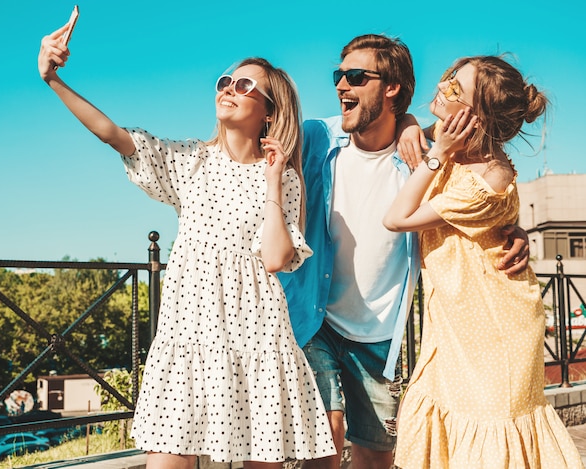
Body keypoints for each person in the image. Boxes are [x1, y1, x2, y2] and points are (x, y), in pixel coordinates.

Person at [38, 23, 336, 469]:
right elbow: (113, 134)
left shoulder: (283, 179)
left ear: (270, 112)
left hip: (256, 338)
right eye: (224, 81)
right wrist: (53, 79)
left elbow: (276, 258)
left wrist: (273, 179)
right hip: (189, 335)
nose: (228, 89)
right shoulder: (190, 160)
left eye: (244, 84)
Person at [278, 34, 531, 469]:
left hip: (379, 333)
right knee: (327, 434)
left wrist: (514, 228)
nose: (341, 85)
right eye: (339, 75)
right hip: (314, 318)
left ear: (392, 87)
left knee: (376, 457)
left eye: (356, 76)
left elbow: (478, 190)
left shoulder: (429, 155)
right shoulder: (317, 138)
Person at [383, 55, 583, 468]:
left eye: (455, 88)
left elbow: (397, 219)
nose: (441, 88)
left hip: (495, 325)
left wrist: (436, 154)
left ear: (478, 116)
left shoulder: (490, 176)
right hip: (455, 320)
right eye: (447, 77)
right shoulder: (446, 137)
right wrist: (410, 127)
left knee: (492, 441)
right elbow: (402, 126)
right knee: (454, 440)